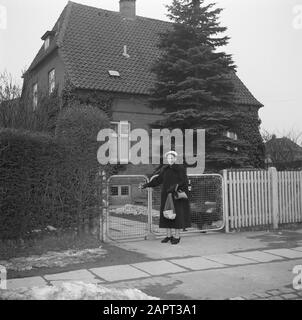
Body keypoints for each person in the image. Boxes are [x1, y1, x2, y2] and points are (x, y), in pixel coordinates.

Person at [142, 151, 191, 245]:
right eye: (168, 158)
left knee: (177, 216)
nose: (170, 160)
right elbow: (158, 180)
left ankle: (177, 236)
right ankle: (169, 236)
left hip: (176, 195)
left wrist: (175, 186)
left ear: (175, 159)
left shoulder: (180, 168)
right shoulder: (165, 169)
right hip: (166, 195)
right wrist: (146, 185)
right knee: (167, 215)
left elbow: (183, 180)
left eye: (172, 158)